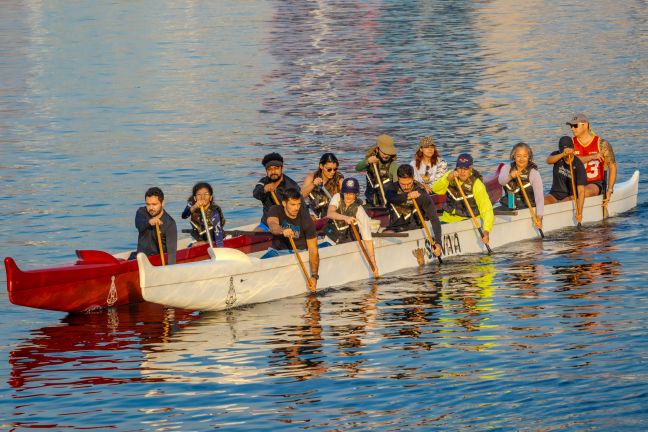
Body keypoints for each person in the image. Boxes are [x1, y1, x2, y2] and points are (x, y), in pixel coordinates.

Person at [263, 188, 319, 291]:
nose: (297, 208)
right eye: (293, 205)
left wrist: (314, 276)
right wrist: (282, 231)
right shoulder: (275, 209)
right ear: (284, 203)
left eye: (298, 204)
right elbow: (272, 225)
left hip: (298, 253)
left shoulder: (306, 220)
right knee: (259, 264)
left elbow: (313, 249)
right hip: (276, 252)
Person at [432, 153, 494, 247]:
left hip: (467, 220)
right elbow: (435, 189)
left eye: (466, 169)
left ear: (471, 169)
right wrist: (447, 179)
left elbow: (487, 209)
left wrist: (486, 231)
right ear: (456, 168)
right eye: (460, 168)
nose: (462, 172)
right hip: (446, 219)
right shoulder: (450, 176)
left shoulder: (477, 184)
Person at [384, 164, 442, 257]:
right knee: (385, 235)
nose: (406, 187)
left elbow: (434, 219)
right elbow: (392, 198)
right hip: (395, 229)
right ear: (398, 179)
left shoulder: (421, 193)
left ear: (413, 178)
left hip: (416, 230)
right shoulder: (391, 188)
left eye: (409, 183)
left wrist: (438, 243)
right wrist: (407, 196)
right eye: (403, 184)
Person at [325, 178, 379, 273]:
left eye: (352, 194)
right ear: (343, 192)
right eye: (346, 193)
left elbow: (367, 239)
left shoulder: (359, 210)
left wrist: (373, 261)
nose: (348, 196)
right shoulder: (337, 197)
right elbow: (330, 213)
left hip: (346, 243)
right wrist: (345, 218)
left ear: (356, 195)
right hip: (330, 239)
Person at [567, 113, 617, 205]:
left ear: (585, 125)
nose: (572, 128)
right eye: (571, 126)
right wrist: (591, 157)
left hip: (595, 183)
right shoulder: (570, 144)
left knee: (582, 192)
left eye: (575, 126)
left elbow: (612, 167)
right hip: (576, 183)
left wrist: (609, 190)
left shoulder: (602, 144)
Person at [498, 142, 544, 229]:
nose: (521, 159)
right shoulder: (506, 168)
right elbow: (501, 182)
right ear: (514, 156)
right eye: (518, 156)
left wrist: (539, 217)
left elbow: (539, 197)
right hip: (509, 205)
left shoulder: (534, 173)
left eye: (524, 156)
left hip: (527, 206)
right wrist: (510, 176)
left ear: (529, 157)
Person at [252, 152, 301, 230]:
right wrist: (264, 189)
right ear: (266, 171)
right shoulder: (263, 182)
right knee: (255, 234)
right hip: (267, 223)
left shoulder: (292, 186)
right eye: (269, 169)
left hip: (287, 224)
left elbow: (299, 208)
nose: (273, 172)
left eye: (276, 168)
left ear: (282, 169)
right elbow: (255, 193)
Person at [545, 136, 587, 223]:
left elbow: (581, 191)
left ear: (573, 149)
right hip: (554, 194)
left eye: (569, 151)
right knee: (540, 203)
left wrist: (580, 212)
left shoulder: (578, 165)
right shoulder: (557, 155)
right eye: (563, 151)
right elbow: (548, 161)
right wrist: (562, 154)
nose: (567, 154)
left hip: (571, 195)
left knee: (559, 206)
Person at [132, 187, 177, 264]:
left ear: (162, 203)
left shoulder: (170, 223)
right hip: (141, 258)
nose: (151, 208)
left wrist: (170, 269)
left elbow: (171, 252)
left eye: (154, 204)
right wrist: (149, 222)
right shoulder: (141, 212)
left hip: (159, 260)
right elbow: (139, 225)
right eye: (148, 204)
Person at [355, 134, 398, 207]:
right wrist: (367, 161)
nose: (386, 155)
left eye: (388, 153)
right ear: (377, 149)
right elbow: (358, 168)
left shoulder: (394, 166)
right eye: (384, 152)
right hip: (371, 202)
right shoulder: (370, 161)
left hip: (386, 203)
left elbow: (397, 186)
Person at [181, 182, 226, 247]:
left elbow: (218, 236)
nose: (202, 197)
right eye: (199, 194)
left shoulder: (214, 212)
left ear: (210, 197)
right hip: (200, 239)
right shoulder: (192, 205)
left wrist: (207, 243)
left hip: (214, 240)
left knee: (194, 245)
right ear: (195, 198)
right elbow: (184, 216)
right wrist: (194, 207)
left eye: (206, 194)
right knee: (190, 246)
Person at [301, 152, 344, 218]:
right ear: (321, 166)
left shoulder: (339, 179)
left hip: (331, 210)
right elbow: (301, 196)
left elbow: (345, 198)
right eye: (329, 169)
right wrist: (313, 184)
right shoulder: (311, 178)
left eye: (335, 169)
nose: (332, 172)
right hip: (315, 211)